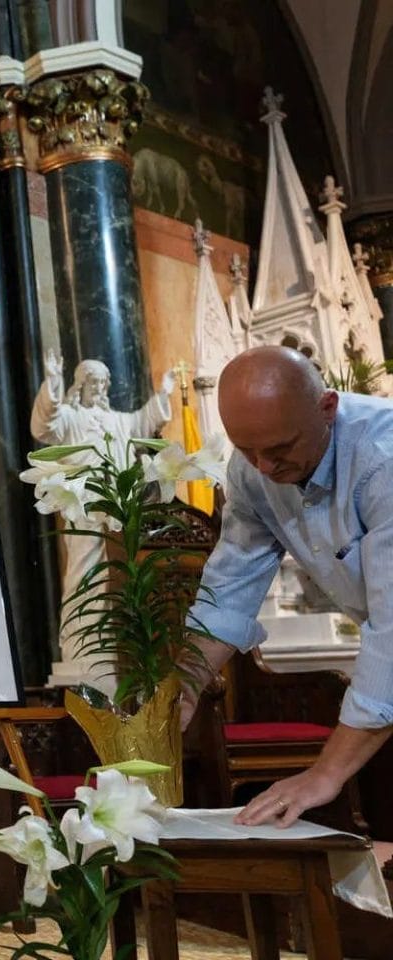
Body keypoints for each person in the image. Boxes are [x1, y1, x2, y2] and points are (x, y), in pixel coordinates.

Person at [181, 345, 393, 827]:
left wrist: (324, 775)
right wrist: (185, 685)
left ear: (328, 408)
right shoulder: (255, 469)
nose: (264, 468)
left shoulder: (384, 459)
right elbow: (231, 584)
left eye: (279, 450)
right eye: (247, 450)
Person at [30, 350, 176, 666]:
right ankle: (83, 645)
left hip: (119, 509)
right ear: (80, 385)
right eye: (92, 381)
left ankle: (120, 644)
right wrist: (53, 381)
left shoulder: (115, 420)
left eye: (102, 382)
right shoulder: (71, 417)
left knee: (122, 574)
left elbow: (143, 421)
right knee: (85, 573)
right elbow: (44, 426)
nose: (98, 388)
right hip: (82, 506)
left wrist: (164, 392)